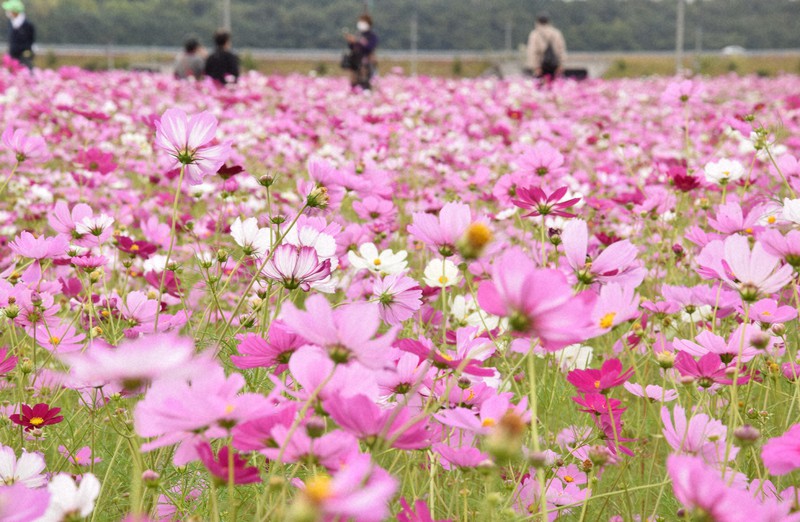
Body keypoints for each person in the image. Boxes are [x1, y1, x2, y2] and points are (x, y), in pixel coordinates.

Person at [526, 12, 566, 81]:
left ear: (537, 22)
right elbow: (561, 50)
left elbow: (532, 52)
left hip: (540, 65)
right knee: (554, 87)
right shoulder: (556, 33)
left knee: (540, 88)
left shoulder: (535, 34)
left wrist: (535, 66)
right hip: (554, 64)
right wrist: (561, 65)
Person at [343, 14, 378, 90]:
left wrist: (359, 41)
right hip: (355, 62)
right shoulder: (358, 34)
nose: (361, 24)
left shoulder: (372, 36)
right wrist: (351, 42)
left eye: (363, 22)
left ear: (368, 23)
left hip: (366, 63)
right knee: (354, 81)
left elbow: (369, 48)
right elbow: (352, 48)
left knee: (364, 81)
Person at [3, 0, 34, 70]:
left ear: (15, 11)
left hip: (23, 57)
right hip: (12, 56)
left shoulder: (28, 25)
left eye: (9, 10)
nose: (8, 12)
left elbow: (30, 41)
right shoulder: (11, 23)